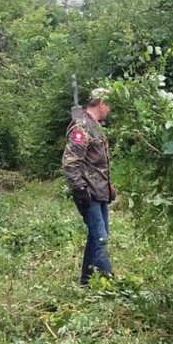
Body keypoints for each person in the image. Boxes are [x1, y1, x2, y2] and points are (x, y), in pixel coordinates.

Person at [62, 87, 117, 286]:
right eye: (109, 105)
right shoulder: (82, 127)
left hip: (99, 191)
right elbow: (70, 163)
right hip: (88, 193)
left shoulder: (95, 126)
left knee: (97, 237)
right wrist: (80, 190)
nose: (110, 109)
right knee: (101, 239)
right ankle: (110, 283)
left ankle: (85, 281)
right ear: (101, 103)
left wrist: (108, 185)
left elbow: (96, 163)